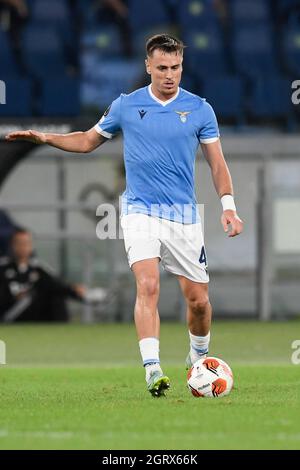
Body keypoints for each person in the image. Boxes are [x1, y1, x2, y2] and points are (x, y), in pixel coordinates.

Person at [5, 34, 243, 396]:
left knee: (198, 301)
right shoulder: (126, 106)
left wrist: (229, 207)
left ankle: (198, 358)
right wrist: (44, 138)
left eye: (175, 67)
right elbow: (87, 141)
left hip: (182, 215)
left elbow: (217, 163)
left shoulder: (200, 109)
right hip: (139, 211)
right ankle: (152, 369)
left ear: (182, 66)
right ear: (148, 66)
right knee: (147, 284)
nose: (169, 75)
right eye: (161, 68)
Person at [0, 228, 86, 322]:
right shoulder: (3, 268)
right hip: (9, 316)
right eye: (19, 243)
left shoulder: (39, 270)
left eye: (27, 243)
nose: (23, 247)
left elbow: (59, 286)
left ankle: (60, 330)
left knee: (56, 297)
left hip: (36, 317)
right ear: (12, 245)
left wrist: (74, 289)